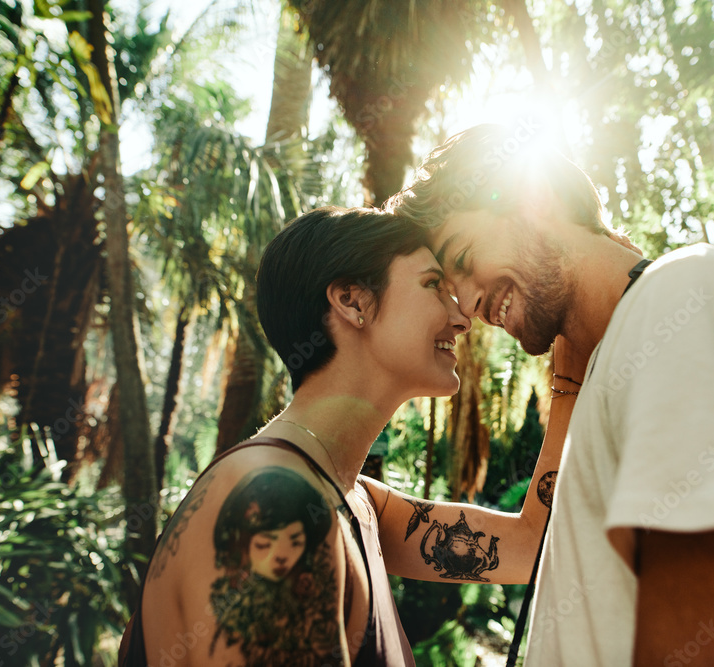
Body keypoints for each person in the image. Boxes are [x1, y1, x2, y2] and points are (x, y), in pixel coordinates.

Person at [386, 123, 714, 666]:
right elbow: (531, 545)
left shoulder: (688, 305)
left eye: (465, 259)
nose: (468, 304)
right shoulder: (632, 350)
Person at [118, 206, 568, 666]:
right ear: (352, 302)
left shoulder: (355, 502)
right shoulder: (277, 504)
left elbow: (532, 545)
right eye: (433, 285)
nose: (461, 319)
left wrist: (572, 348)